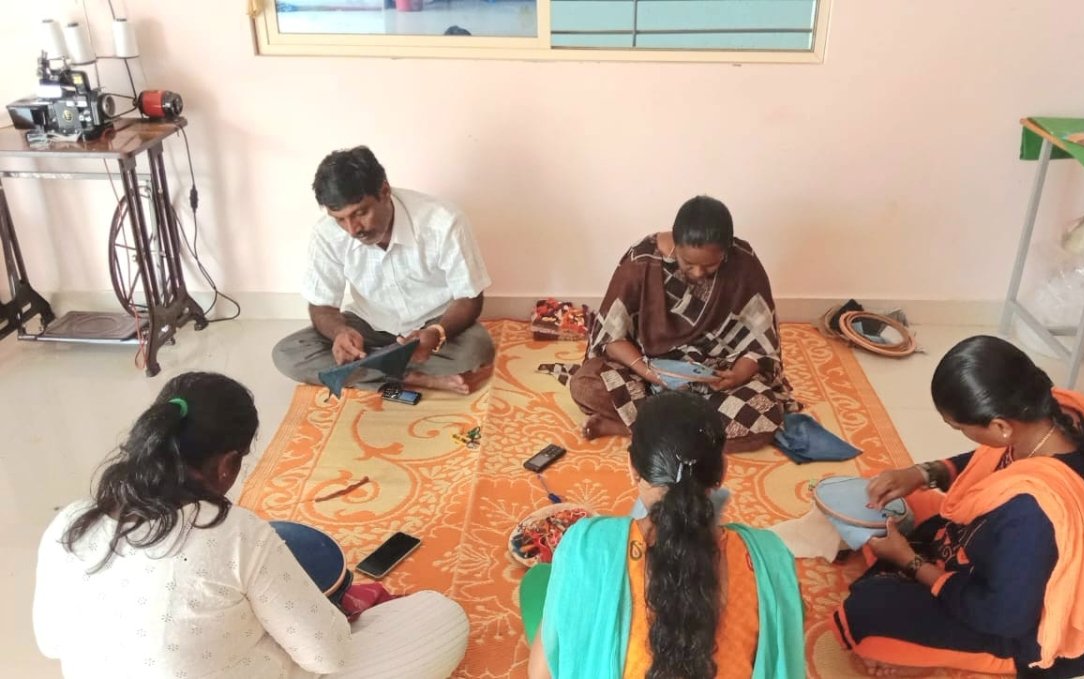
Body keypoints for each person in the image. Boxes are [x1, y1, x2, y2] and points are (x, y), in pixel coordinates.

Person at [33, 372, 469, 679]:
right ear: (226, 466)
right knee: (441, 615)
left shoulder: (71, 522)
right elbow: (329, 655)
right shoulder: (235, 534)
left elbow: (51, 643)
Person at [833, 336, 1084, 678]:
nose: (962, 434)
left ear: (999, 426)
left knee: (864, 614)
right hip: (1004, 558)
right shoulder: (1050, 416)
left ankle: (944, 654)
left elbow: (1003, 618)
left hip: (1014, 627)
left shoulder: (1032, 514)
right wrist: (923, 473)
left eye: (959, 427)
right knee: (894, 495)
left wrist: (910, 561)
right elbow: (990, 459)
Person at [523, 391, 805, 679]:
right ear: (722, 471)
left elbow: (541, 674)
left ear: (632, 469)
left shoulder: (587, 546)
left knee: (538, 582)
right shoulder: (768, 558)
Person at [567, 195, 797, 453]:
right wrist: (649, 373)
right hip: (645, 373)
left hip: (714, 380)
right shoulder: (641, 260)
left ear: (726, 251)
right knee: (586, 384)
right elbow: (612, 339)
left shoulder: (743, 263)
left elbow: (760, 345)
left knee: (764, 413)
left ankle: (629, 428)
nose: (698, 273)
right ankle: (686, 435)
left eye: (710, 266)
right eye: (688, 264)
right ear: (675, 244)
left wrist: (737, 376)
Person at [273, 146, 495, 395]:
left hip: (432, 323)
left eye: (361, 213)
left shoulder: (443, 221)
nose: (352, 229)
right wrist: (340, 333)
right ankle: (412, 376)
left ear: (385, 191)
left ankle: (370, 368)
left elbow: (469, 297)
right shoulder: (326, 234)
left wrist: (437, 332)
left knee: (477, 349)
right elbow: (321, 305)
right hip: (368, 325)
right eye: (340, 219)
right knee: (288, 354)